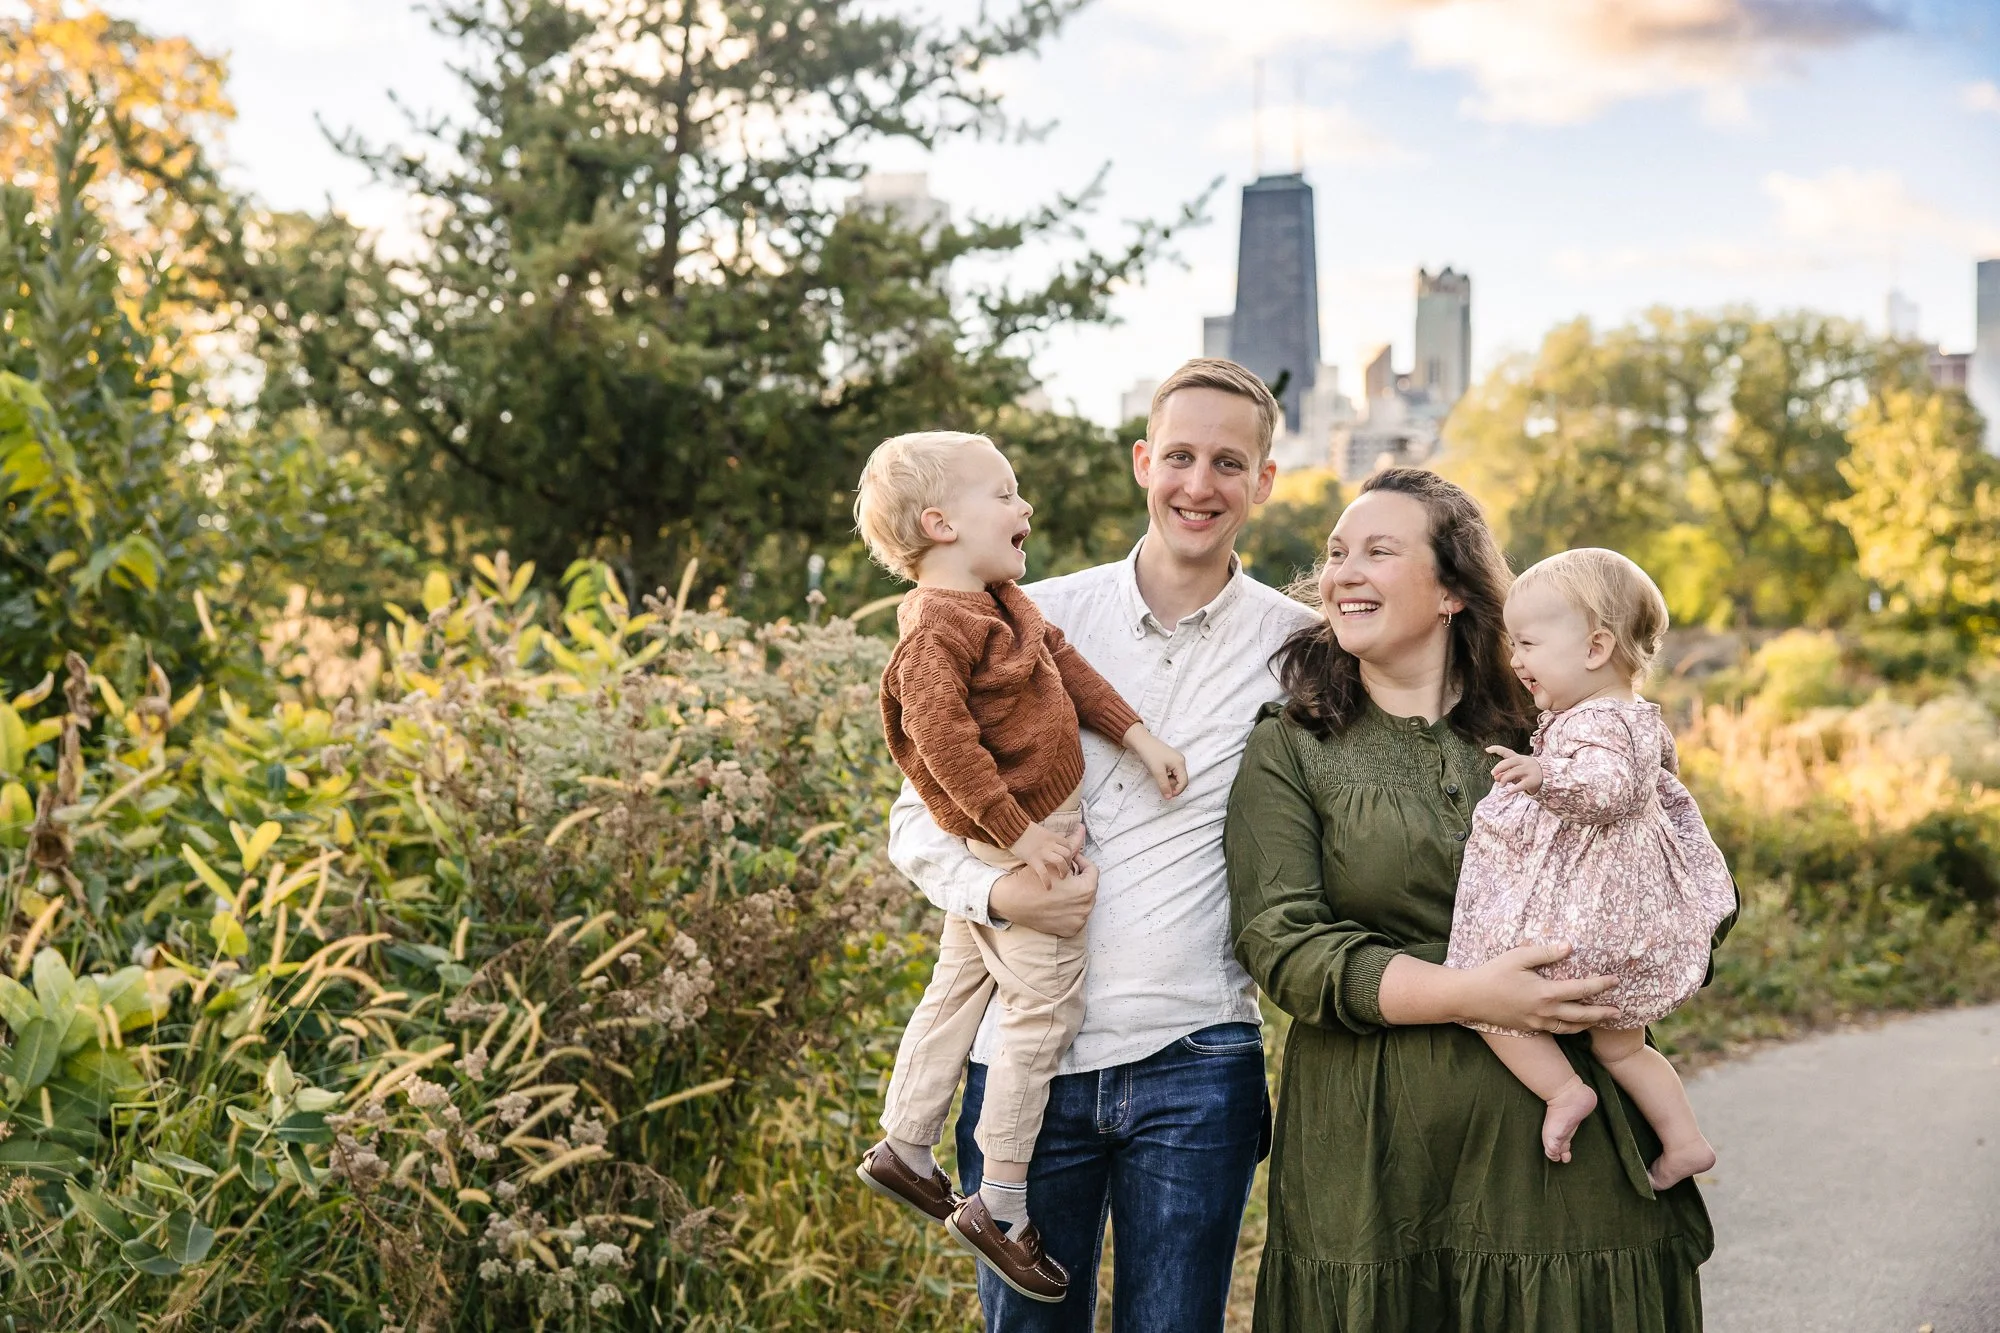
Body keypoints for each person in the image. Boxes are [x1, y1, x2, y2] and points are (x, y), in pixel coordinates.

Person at [1226, 468, 1735, 1332]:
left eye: (1379, 551)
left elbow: (1676, 873)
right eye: (1337, 553)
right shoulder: (1292, 744)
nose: (1344, 571)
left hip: (1554, 1159)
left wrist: (1638, 959)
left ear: (1454, 589)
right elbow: (1285, 943)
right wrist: (1474, 993)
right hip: (1374, 1147)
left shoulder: (1550, 730)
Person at [887, 358, 1319, 1330]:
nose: (1197, 485)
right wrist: (999, 897)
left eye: (1225, 462)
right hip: (1024, 1071)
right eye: (1177, 456)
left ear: (1262, 481)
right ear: (1140, 462)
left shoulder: (1300, 649)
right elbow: (915, 818)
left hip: (1196, 1059)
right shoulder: (1023, 612)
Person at [850, 429, 1188, 1303]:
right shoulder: (932, 628)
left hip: (1028, 823)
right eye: (1003, 493)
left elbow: (1067, 668)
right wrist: (1022, 836)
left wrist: (1137, 733)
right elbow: (946, 747)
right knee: (1043, 1005)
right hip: (1018, 832)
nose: (1023, 507)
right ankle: (1000, 1201)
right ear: (940, 523)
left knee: (961, 980)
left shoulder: (1005, 599)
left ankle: (906, 1141)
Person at [1445, 547, 1736, 1190]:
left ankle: (1562, 1093)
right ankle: (1684, 1140)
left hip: (1582, 926)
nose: (1514, 660)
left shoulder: (1605, 722)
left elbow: (1609, 789)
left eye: (1526, 644)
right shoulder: (1621, 716)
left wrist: (1544, 774)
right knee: (1622, 1045)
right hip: (1621, 920)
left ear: (1596, 647)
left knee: (1479, 992)